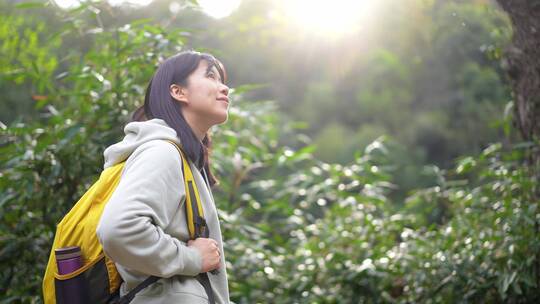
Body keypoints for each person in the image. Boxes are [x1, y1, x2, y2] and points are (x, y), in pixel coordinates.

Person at [96, 50, 230, 303]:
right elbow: (119, 229)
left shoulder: (184, 158)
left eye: (222, 80)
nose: (224, 88)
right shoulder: (162, 152)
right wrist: (193, 259)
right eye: (211, 77)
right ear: (178, 91)